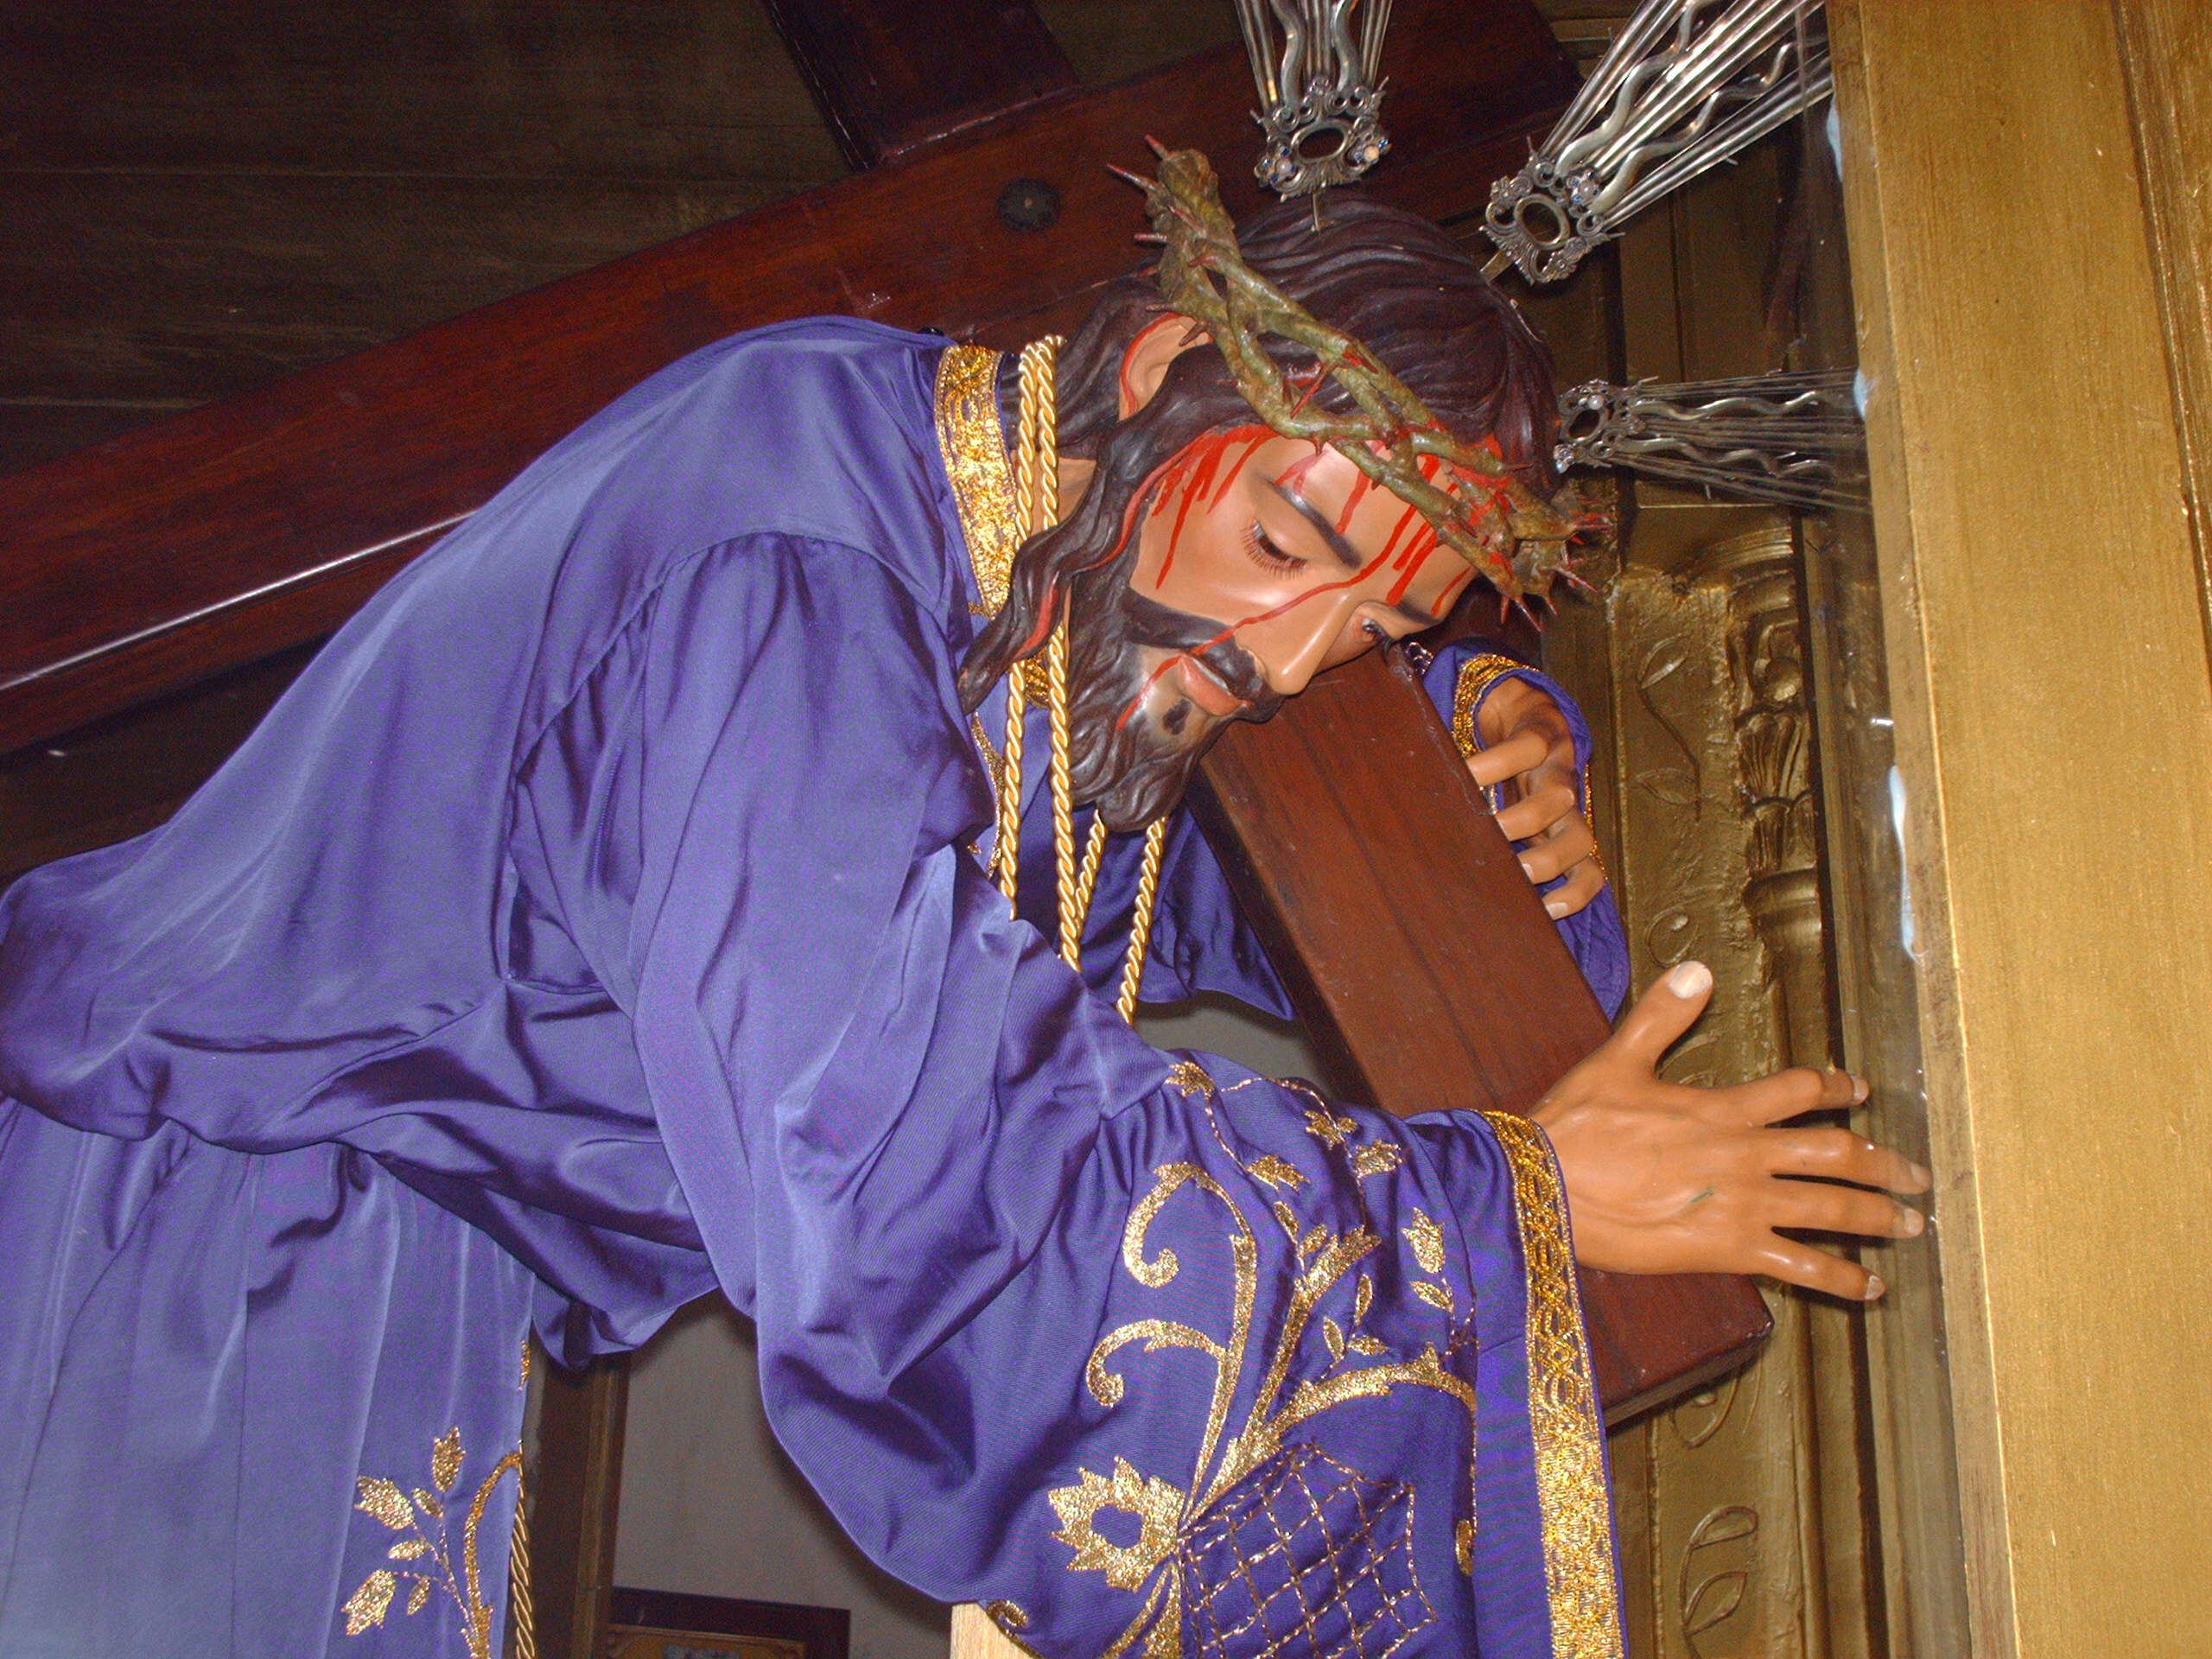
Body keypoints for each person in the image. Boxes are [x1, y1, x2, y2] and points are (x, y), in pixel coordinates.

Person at [0, 154, 1926, 1659]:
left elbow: (1142, 894)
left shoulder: (1017, 554)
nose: (1285, 658)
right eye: (1284, 544)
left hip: (369, 1246)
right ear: (1169, 369)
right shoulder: (792, 555)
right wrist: (1491, 1219)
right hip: (215, 1215)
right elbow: (911, 1163)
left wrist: (1470, 746)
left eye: (1380, 620)